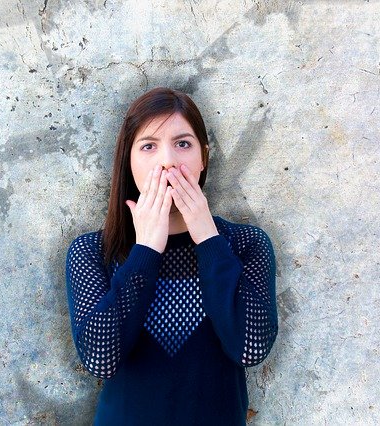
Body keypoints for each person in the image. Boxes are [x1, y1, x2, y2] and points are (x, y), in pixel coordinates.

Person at [65, 87, 278, 425]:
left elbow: (250, 348)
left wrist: (207, 237)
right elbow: (100, 359)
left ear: (203, 156)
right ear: (128, 161)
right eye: (148, 146)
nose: (167, 161)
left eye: (183, 144)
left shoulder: (245, 244)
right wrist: (146, 250)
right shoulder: (94, 252)